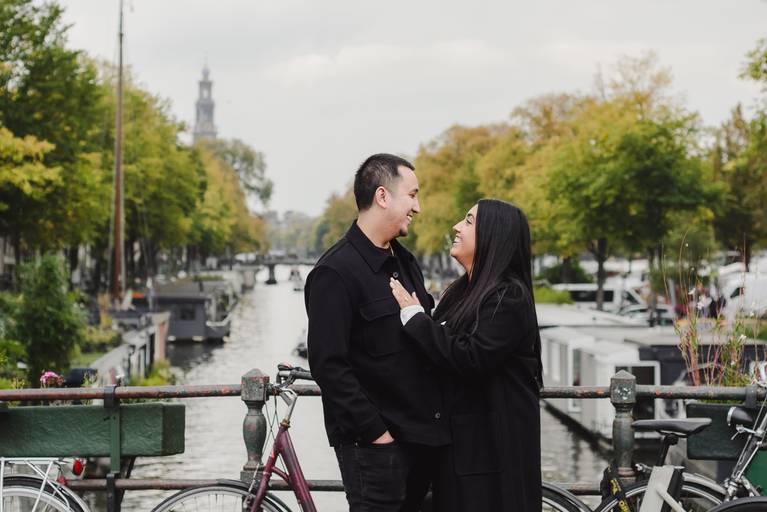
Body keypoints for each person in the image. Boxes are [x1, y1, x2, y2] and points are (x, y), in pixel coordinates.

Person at [305, 154, 449, 511]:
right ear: (383, 196)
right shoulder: (334, 272)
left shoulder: (406, 262)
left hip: (421, 443)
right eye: (412, 195)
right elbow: (329, 366)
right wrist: (376, 435)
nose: (418, 207)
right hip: (375, 451)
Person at [390, 199, 543, 511]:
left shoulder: (508, 297)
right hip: (460, 455)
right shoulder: (461, 292)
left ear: (492, 236)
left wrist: (415, 318)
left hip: (490, 460)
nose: (457, 227)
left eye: (469, 221)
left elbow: (471, 357)